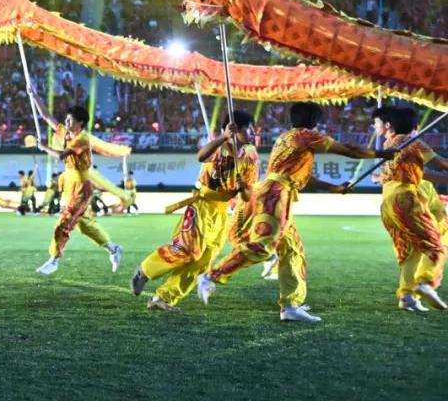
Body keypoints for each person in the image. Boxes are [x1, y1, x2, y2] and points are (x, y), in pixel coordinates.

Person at [197, 102, 388, 322]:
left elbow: (300, 176)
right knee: (263, 246)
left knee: (293, 250)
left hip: (277, 191)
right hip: (276, 195)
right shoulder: (307, 136)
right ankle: (211, 276)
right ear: (314, 121)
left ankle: (291, 305)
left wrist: (332, 187)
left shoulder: (286, 137)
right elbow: (349, 150)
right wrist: (382, 153)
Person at [131, 112, 258, 311]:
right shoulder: (220, 147)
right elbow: (201, 156)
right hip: (202, 206)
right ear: (235, 130)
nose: (253, 132)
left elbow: (248, 196)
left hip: (221, 214)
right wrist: (224, 137)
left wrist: (243, 188)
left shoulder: (250, 155)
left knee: (203, 262)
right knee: (188, 250)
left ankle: (164, 298)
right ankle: (145, 270)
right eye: (249, 128)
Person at [28, 86, 122, 276]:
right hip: (69, 183)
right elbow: (46, 116)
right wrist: (34, 96)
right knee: (84, 224)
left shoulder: (82, 139)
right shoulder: (66, 132)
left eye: (70, 120)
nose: (66, 122)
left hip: (81, 185)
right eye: (66, 119)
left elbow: (61, 155)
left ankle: (54, 259)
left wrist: (43, 147)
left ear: (80, 123)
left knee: (63, 223)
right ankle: (114, 249)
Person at [378, 106, 447, 311]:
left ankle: (407, 296)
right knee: (436, 246)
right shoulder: (415, 143)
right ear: (416, 126)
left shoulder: (389, 143)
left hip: (387, 200)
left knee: (411, 251)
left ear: (391, 126)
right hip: (405, 198)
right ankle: (425, 282)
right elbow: (442, 164)